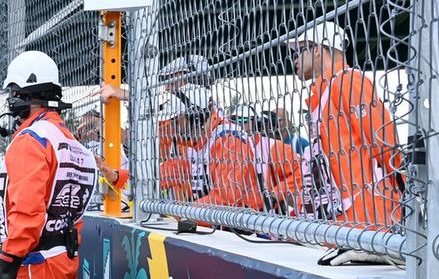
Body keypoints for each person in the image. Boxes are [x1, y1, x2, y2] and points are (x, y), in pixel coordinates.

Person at [0, 50, 97, 279]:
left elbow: (27, 213)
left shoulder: (30, 141)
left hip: (34, 268)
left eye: (13, 94)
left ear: (22, 96)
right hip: (62, 259)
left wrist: (6, 266)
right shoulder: (68, 140)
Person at [288, 20, 404, 262]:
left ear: (317, 49)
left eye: (299, 51)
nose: (294, 59)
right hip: (345, 219)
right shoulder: (323, 92)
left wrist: (405, 191)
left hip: (369, 217)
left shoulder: (348, 81)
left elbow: (384, 143)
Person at [157, 84, 263, 211]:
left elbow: (225, 199)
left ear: (196, 116)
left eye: (175, 121)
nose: (173, 128)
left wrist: (184, 214)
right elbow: (169, 172)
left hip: (242, 221)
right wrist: (139, 182)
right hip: (212, 219)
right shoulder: (196, 144)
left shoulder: (230, 141)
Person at [228, 106, 303, 215]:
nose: (237, 125)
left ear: (255, 123)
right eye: (234, 121)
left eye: (243, 120)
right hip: (233, 212)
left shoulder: (272, 146)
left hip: (266, 214)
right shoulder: (227, 148)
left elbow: (299, 171)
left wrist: (275, 194)